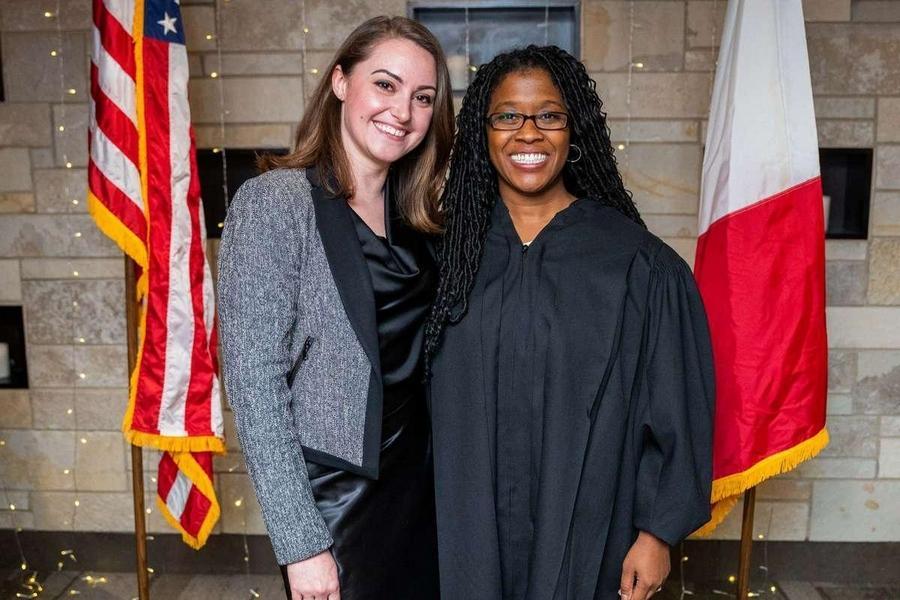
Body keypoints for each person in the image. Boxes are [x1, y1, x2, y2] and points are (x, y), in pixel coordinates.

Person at [424, 45, 715, 600]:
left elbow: (676, 406)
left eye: (549, 116)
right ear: (483, 132)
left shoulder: (637, 264)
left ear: (573, 128)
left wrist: (657, 534)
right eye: (508, 116)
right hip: (459, 535)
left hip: (591, 537)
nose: (528, 133)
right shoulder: (442, 255)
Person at [217, 16, 453, 600]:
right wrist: (301, 544)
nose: (403, 111)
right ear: (341, 83)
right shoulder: (275, 203)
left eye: (423, 97)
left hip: (426, 486)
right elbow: (254, 384)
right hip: (338, 498)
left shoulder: (422, 213)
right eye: (385, 84)